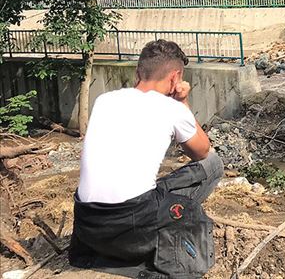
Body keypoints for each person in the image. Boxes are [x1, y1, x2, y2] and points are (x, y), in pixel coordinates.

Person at [71, 40, 223, 278]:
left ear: (138, 72)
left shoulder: (104, 100)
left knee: (149, 185)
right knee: (213, 165)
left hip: (88, 228)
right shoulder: (171, 108)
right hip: (132, 232)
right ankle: (167, 239)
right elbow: (202, 152)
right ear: (175, 78)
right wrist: (182, 102)